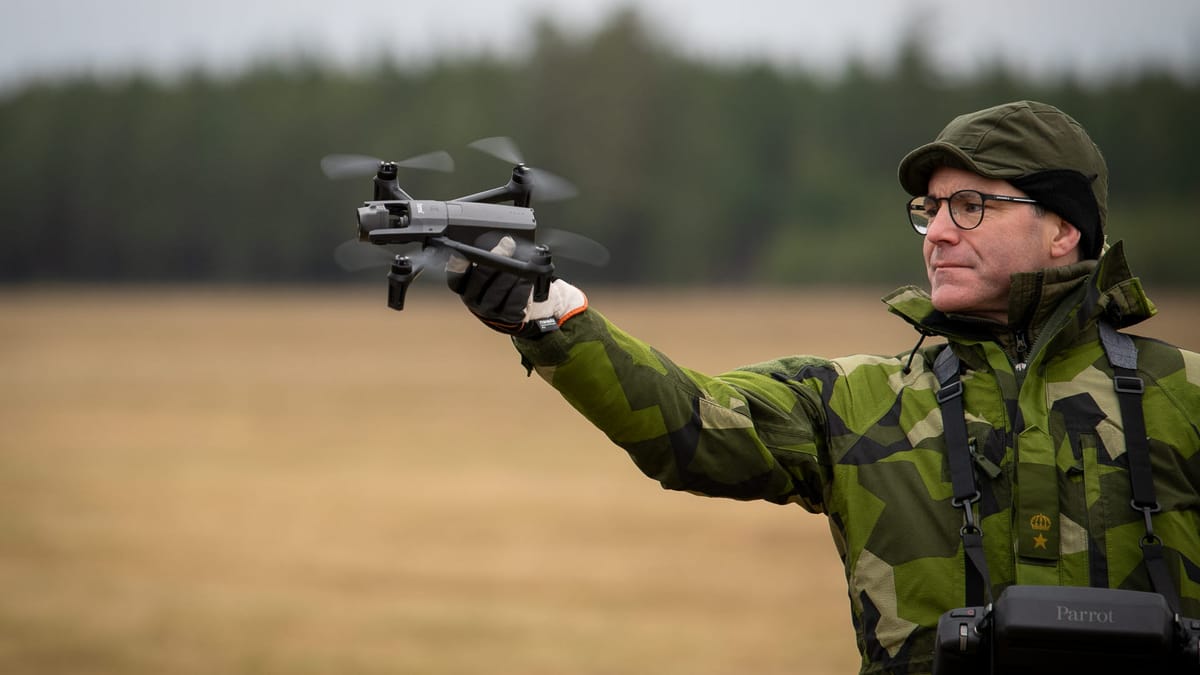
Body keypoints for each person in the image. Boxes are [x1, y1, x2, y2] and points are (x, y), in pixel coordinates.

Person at [446, 100, 1200, 674]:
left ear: (1064, 228)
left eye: (971, 206)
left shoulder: (1186, 397)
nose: (939, 232)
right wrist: (545, 312)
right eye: (930, 210)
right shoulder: (859, 401)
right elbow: (692, 422)